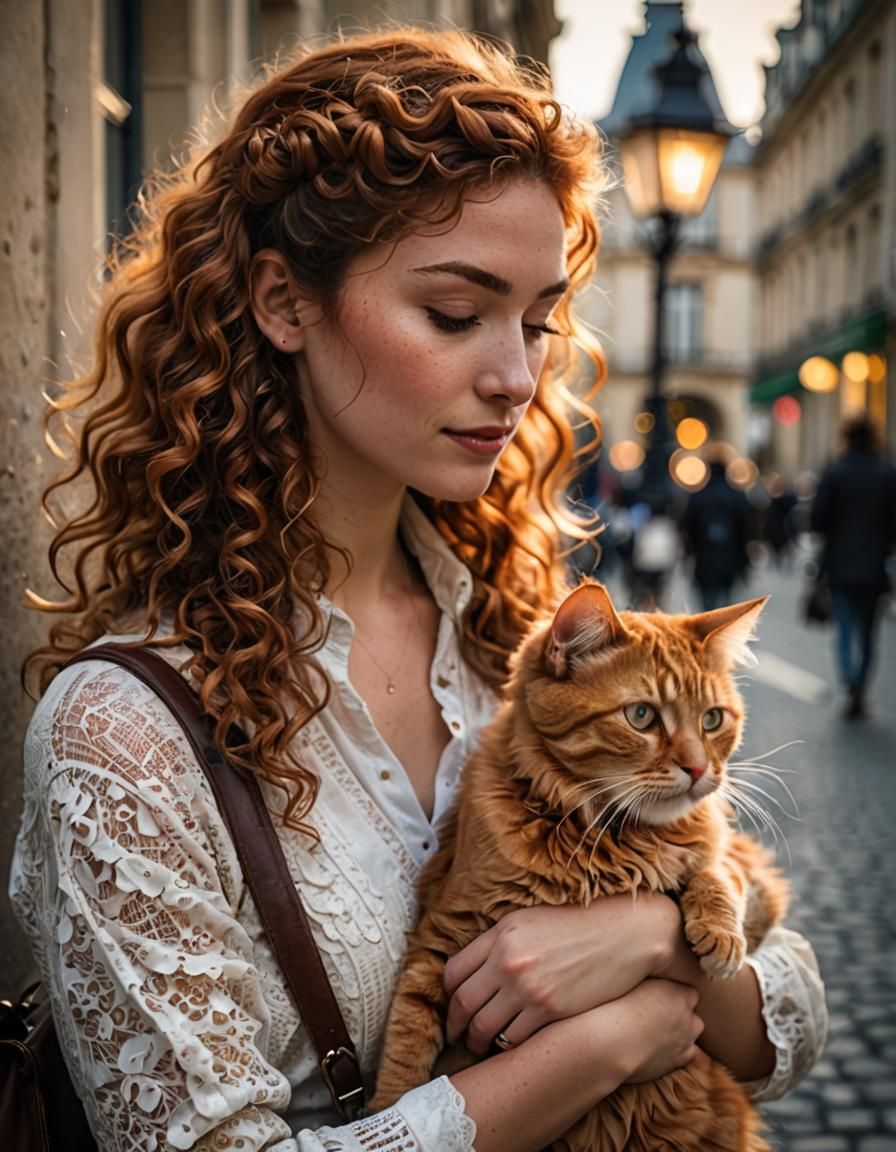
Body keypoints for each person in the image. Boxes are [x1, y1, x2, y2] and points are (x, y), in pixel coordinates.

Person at [10, 28, 826, 1152]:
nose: (516, 376)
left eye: (536, 321)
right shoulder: (124, 738)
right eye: (454, 314)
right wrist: (609, 1039)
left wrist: (649, 940)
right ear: (282, 302)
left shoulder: (512, 628)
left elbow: (787, 1009)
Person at [811, 413, 896, 719]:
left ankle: (849, 682)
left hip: (839, 564)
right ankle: (860, 684)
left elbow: (818, 519)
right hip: (875, 565)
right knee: (869, 632)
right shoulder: (887, 473)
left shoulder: (835, 472)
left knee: (845, 630)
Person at [681, 447, 754, 611]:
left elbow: (687, 526)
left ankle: (710, 623)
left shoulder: (698, 496)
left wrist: (690, 553)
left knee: (707, 601)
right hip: (730, 558)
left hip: (704, 558)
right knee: (726, 600)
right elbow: (746, 527)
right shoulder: (737, 496)